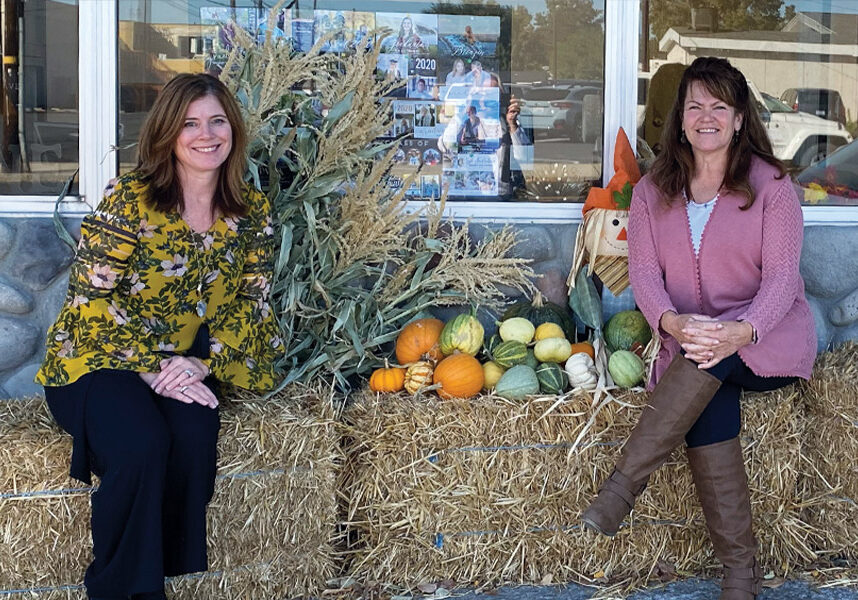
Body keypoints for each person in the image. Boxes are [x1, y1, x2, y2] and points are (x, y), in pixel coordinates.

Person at [35, 73, 283, 600]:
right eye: (190, 123)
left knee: (194, 432)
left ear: (232, 129)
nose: (206, 134)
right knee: (140, 442)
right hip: (95, 358)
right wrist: (152, 369)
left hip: (179, 362)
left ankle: (159, 570)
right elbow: (90, 298)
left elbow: (251, 302)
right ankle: (120, 590)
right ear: (169, 133)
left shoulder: (251, 212)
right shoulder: (132, 200)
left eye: (217, 121)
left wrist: (199, 364)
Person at [581, 57, 815, 600]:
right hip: (686, 342)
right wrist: (670, 321)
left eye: (719, 106)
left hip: (766, 339)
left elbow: (782, 279)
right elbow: (642, 274)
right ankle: (741, 576)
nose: (705, 116)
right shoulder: (650, 192)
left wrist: (744, 330)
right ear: (679, 120)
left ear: (738, 119)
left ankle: (620, 490)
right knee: (707, 383)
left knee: (712, 359)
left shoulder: (773, 187)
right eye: (694, 106)